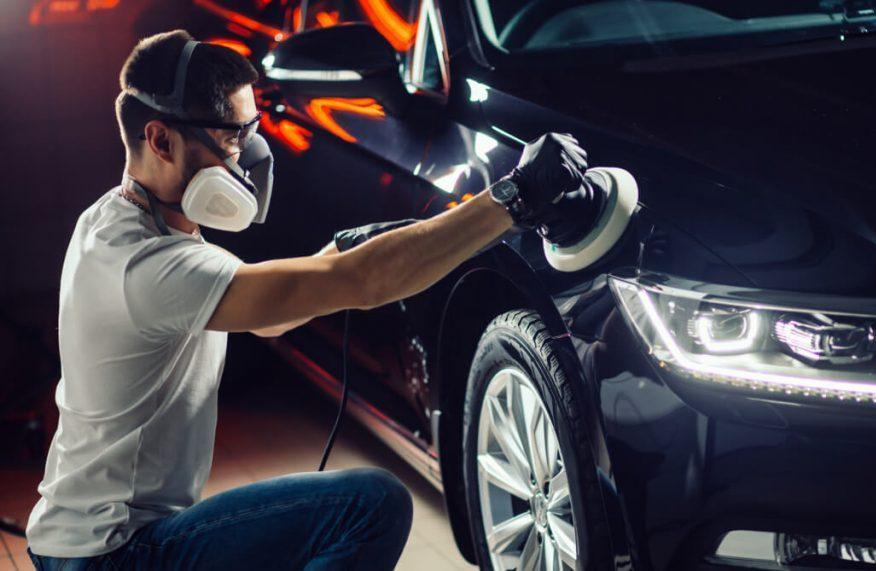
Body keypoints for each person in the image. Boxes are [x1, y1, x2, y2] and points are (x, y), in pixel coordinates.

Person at [23, 29, 588, 570]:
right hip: (117, 555)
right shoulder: (151, 267)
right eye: (230, 139)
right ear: (161, 140)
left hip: (83, 541)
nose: (246, 160)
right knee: (371, 506)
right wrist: (511, 199)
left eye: (249, 133)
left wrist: (338, 253)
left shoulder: (116, 220)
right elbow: (364, 284)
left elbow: (269, 320)